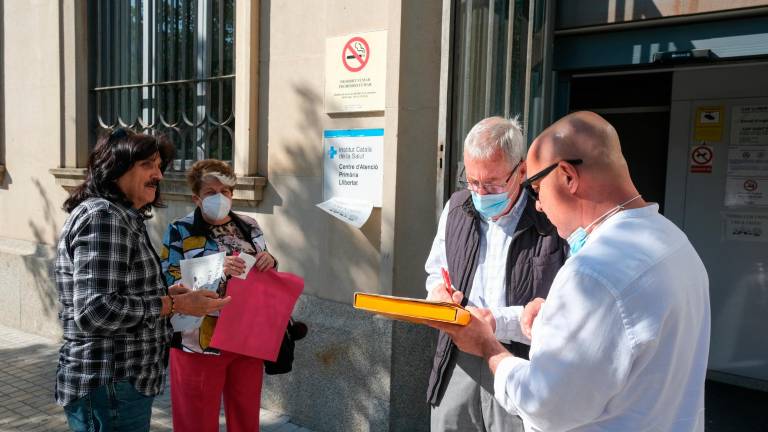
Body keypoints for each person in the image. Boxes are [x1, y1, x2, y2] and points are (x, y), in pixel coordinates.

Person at [430, 111, 711, 431]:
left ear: (567, 176)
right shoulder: (675, 242)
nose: (537, 205)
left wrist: (487, 345)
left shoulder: (593, 274)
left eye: (536, 188)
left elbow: (544, 406)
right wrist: (551, 317)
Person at [55, 129, 232, 432]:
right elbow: (95, 311)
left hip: (120, 384)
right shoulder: (104, 218)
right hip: (111, 383)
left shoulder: (120, 216)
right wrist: (173, 303)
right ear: (116, 166)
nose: (158, 175)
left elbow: (118, 293)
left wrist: (169, 294)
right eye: (147, 164)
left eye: (159, 166)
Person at [424, 117, 567, 432]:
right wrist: (438, 292)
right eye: (471, 180)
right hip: (458, 359)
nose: (479, 191)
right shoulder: (457, 207)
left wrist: (493, 322)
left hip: (521, 361)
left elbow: (562, 308)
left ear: (521, 172)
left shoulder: (551, 217)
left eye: (491, 183)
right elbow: (436, 269)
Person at [160, 159, 279, 432]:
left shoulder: (250, 226)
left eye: (225, 191)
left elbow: (266, 273)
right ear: (196, 197)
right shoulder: (179, 230)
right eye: (211, 192)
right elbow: (170, 280)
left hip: (247, 337)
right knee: (196, 419)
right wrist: (216, 266)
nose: (220, 197)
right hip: (199, 340)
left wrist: (269, 261)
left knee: (246, 416)